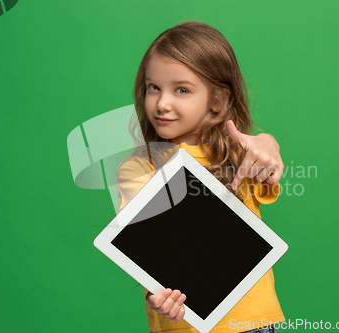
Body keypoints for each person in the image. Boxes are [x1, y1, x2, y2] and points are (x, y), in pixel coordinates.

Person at [116, 20, 284, 333]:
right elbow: (148, 245)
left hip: (252, 323)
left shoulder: (240, 153)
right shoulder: (140, 168)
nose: (162, 103)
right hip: (184, 325)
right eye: (153, 87)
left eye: (181, 89)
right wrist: (158, 292)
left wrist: (268, 145)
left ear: (218, 101)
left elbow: (268, 168)